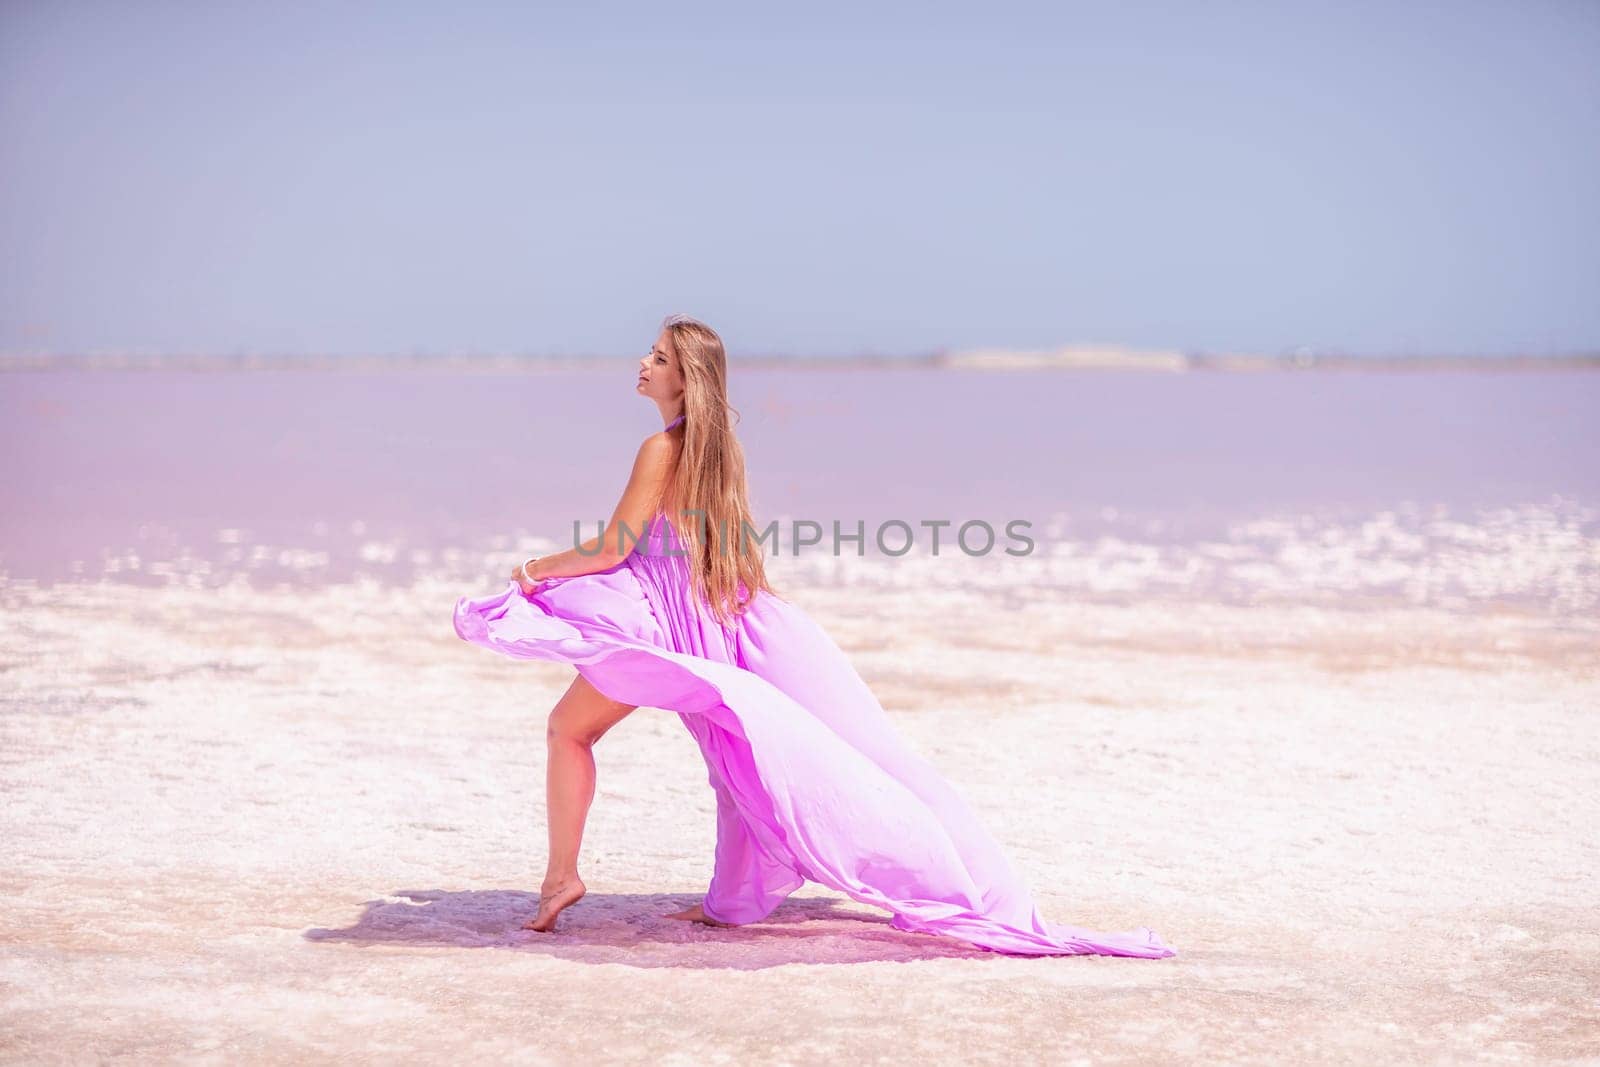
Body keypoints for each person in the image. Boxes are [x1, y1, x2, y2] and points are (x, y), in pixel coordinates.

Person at [452, 313, 1176, 958]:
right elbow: (719, 547)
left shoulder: (658, 449)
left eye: (661, 357)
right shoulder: (717, 450)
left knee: (572, 731)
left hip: (668, 622)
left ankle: (561, 879)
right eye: (649, 352)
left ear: (688, 379)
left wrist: (534, 569)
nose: (644, 364)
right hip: (711, 618)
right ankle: (727, 902)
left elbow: (613, 547)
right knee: (741, 761)